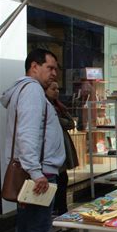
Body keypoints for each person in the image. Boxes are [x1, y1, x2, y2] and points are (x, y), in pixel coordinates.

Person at [0, 48, 65, 232]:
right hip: (39, 176)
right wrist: (37, 173)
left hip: (35, 172)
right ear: (34, 67)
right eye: (50, 68)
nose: (54, 73)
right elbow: (27, 135)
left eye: (56, 68)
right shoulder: (32, 91)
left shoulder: (27, 90)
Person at [45, 81, 79, 215]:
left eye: (58, 89)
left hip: (63, 145)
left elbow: (71, 123)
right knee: (58, 179)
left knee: (63, 179)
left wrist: (57, 120)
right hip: (52, 148)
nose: (56, 91)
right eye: (53, 89)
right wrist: (57, 120)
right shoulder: (45, 106)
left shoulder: (59, 106)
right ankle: (57, 209)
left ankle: (62, 209)